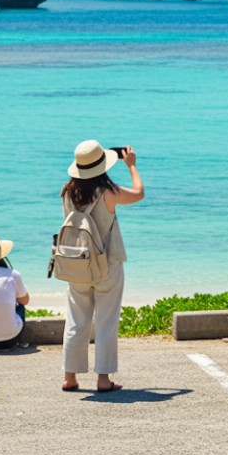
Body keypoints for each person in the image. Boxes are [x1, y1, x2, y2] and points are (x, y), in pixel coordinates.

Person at [60, 140, 144, 393]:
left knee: (76, 320)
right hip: (107, 263)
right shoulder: (108, 192)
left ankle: (70, 377)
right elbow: (139, 193)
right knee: (106, 321)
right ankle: (103, 379)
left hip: (77, 262)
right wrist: (131, 166)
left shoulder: (67, 193)